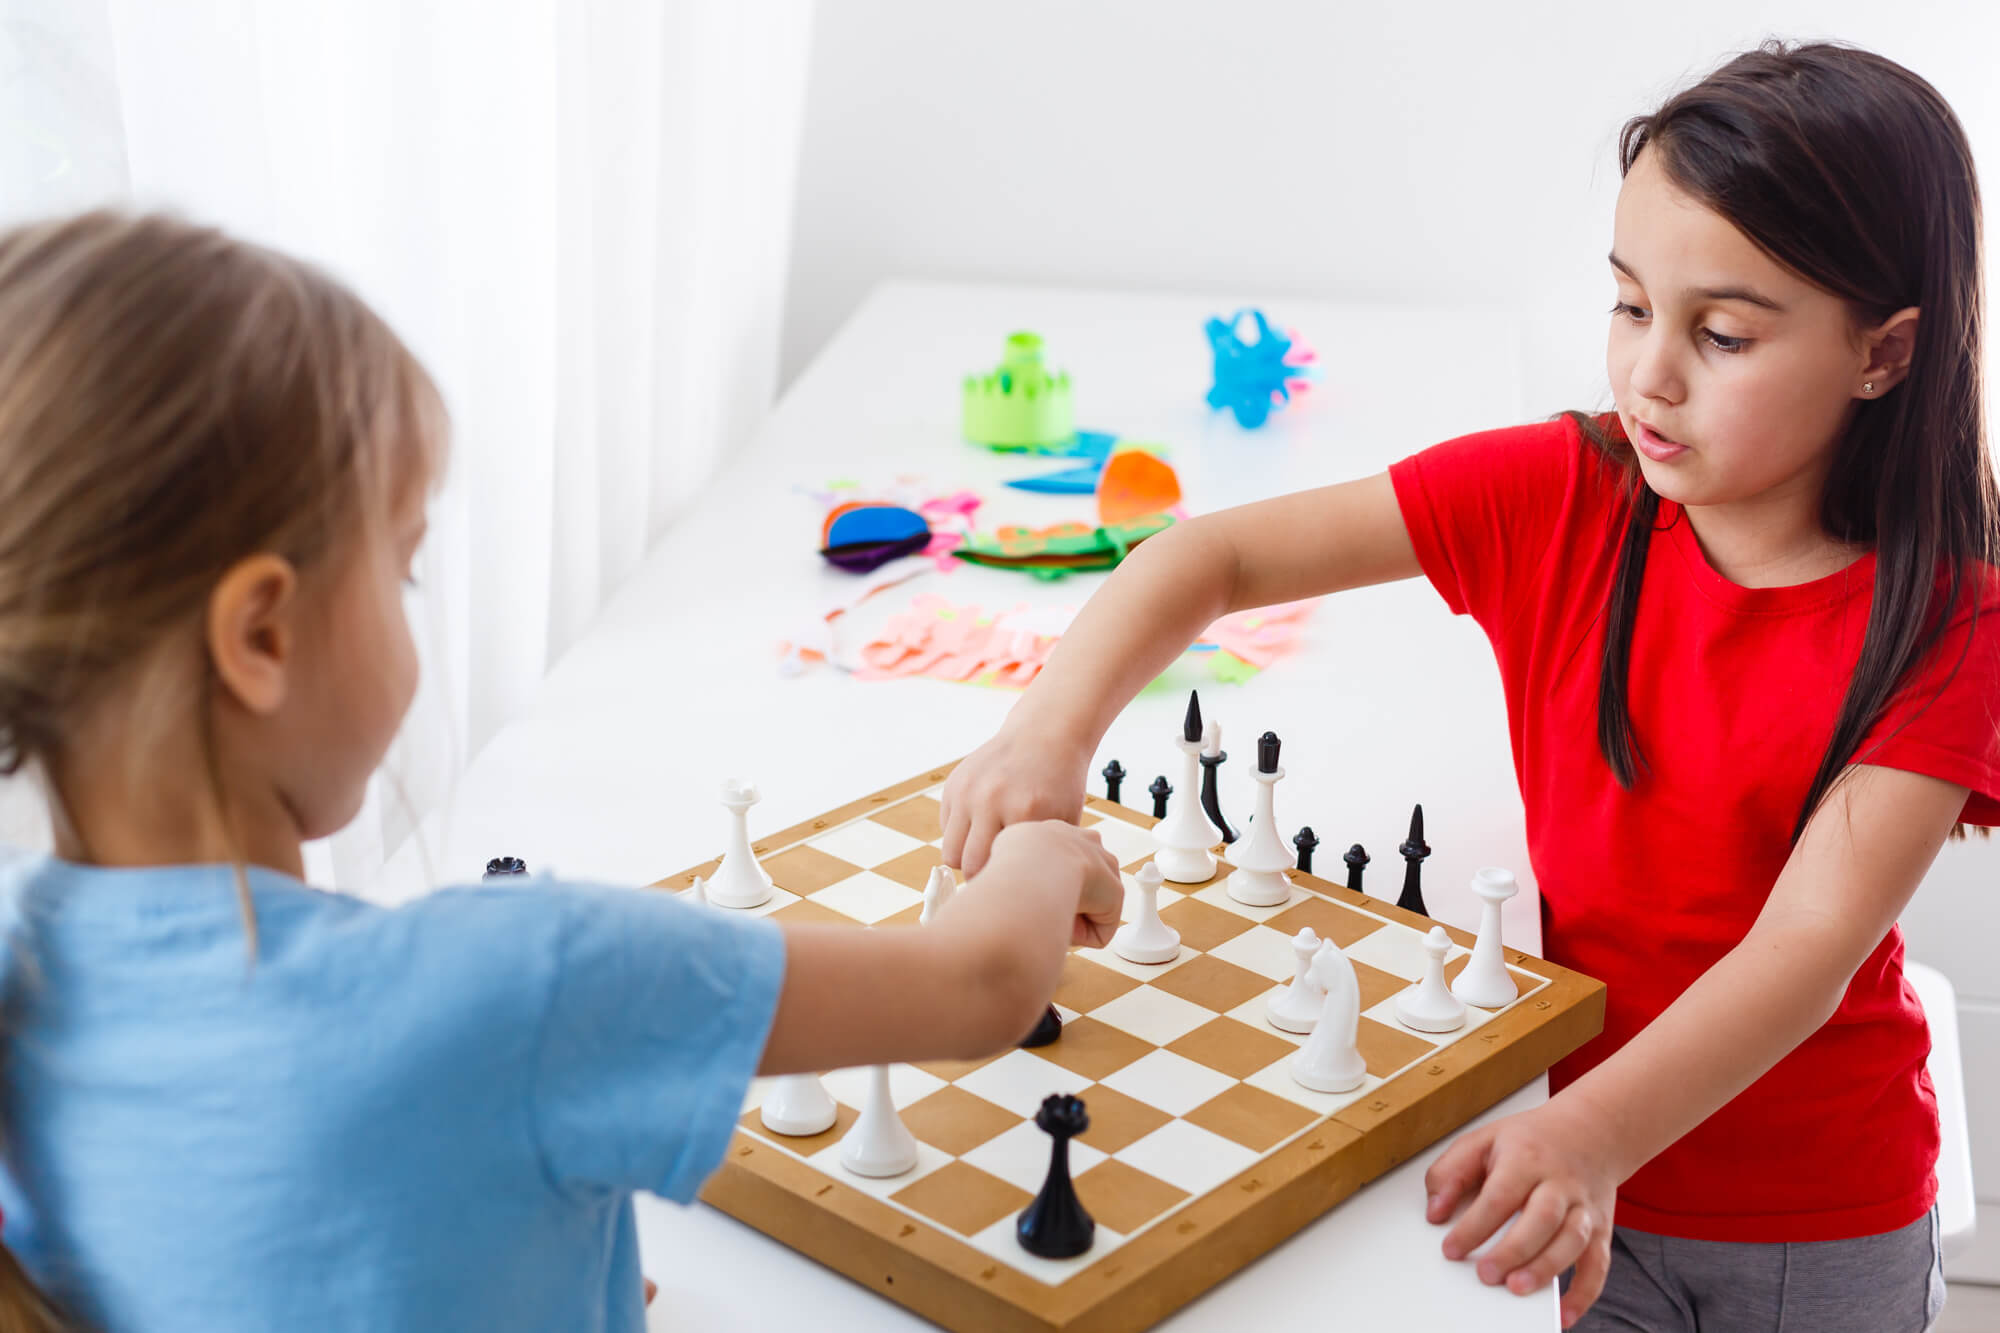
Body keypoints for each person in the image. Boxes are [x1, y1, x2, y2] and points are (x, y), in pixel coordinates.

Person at [941, 40, 1996, 1332]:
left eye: (1721, 333)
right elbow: (1210, 557)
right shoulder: (1561, 494)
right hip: (1556, 1162)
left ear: (1883, 354)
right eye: (1629, 305)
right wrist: (1043, 735)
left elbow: (1805, 950)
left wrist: (1593, 1134)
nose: (1649, 373)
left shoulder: (1949, 622)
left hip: (1810, 1217)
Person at [0, 210, 1123, 1332]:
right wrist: (1040, 852)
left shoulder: (20, 979)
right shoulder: (518, 980)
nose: (410, 604)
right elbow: (978, 986)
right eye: (401, 568)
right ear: (261, 636)